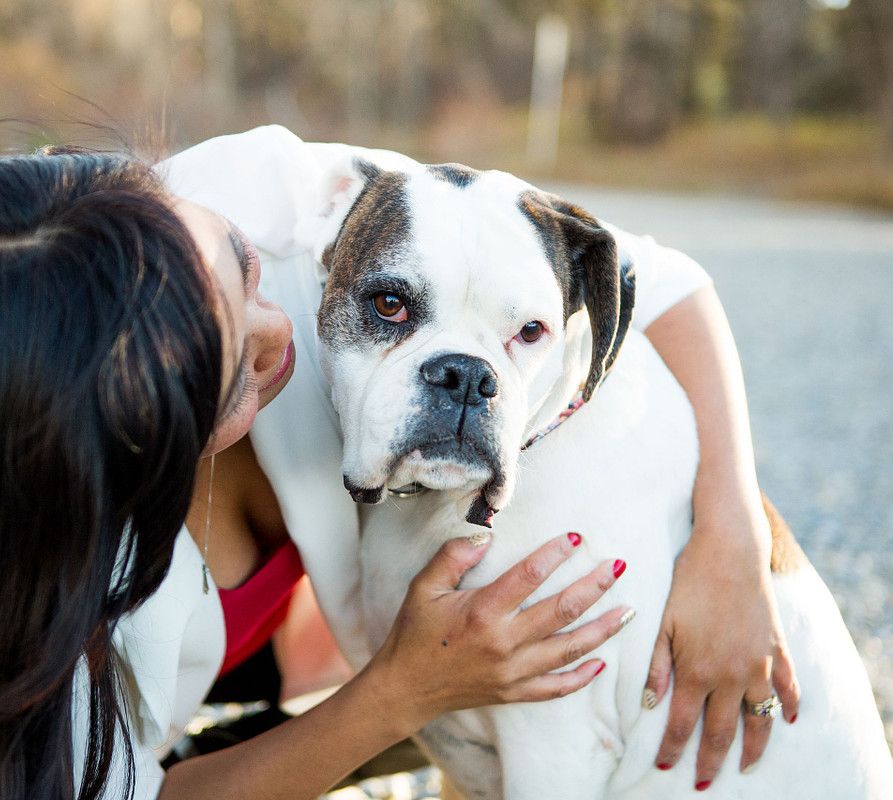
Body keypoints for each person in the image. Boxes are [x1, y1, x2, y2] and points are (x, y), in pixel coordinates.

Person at [0, 146, 632, 800]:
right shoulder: (93, 613)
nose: (281, 326)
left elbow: (632, 263)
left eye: (248, 270)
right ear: (140, 442)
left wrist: (732, 543)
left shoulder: (250, 197)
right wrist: (402, 694)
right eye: (238, 368)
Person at [159, 126, 801, 793]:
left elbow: (663, 277)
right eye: (391, 306)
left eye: (526, 333)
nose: (466, 383)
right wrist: (403, 691)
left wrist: (735, 530)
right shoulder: (97, 569)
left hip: (283, 638)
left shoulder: (365, 202)